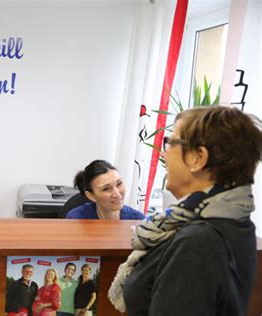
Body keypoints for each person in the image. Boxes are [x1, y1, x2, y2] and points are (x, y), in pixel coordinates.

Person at [108, 106, 262, 315]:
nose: (164, 153)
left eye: (170, 143)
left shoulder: (198, 241)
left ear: (198, 158)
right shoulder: (233, 219)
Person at [66, 160, 144, 220]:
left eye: (119, 184)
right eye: (106, 189)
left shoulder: (138, 220)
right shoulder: (76, 218)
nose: (117, 194)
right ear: (91, 196)